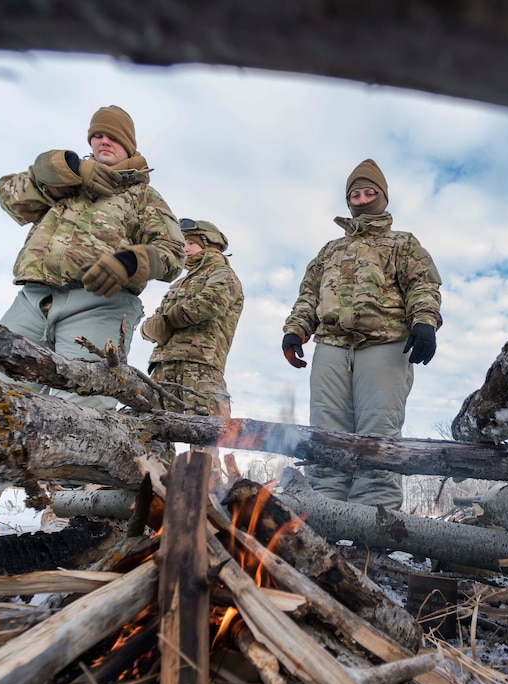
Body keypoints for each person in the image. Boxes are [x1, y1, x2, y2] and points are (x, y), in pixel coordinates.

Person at [0, 105, 185, 409]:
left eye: (113, 137)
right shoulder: (65, 183)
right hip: (33, 300)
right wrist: (68, 169)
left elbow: (172, 253)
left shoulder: (144, 196)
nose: (104, 141)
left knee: (82, 413)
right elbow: (10, 196)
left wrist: (131, 262)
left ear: (129, 145)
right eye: (97, 135)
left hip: (100, 304)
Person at [282, 159, 443, 510]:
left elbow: (423, 285)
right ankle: (323, 514)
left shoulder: (403, 243)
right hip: (331, 347)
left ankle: (375, 526)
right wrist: (295, 331)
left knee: (378, 435)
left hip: (384, 346)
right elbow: (309, 295)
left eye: (370, 192)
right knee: (325, 436)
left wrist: (425, 322)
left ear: (383, 197)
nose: (362, 198)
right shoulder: (329, 250)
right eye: (355, 193)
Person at [141, 218, 243, 419]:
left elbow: (210, 302)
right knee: (154, 433)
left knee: (205, 438)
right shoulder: (179, 284)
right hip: (163, 366)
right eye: (183, 244)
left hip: (200, 368)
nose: (185, 249)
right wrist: (148, 329)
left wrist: (168, 321)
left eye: (191, 243)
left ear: (210, 244)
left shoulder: (223, 274)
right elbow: (155, 320)